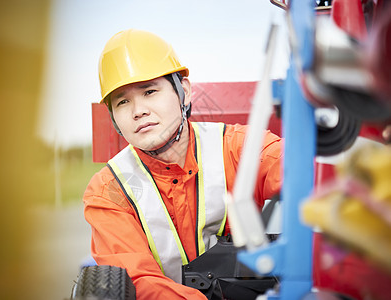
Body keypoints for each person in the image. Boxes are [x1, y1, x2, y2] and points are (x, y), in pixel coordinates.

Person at [83, 29, 283, 300]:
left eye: (150, 91)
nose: (138, 110)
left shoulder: (240, 147)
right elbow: (135, 282)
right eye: (122, 102)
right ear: (115, 119)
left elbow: (304, 175)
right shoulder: (107, 191)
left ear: (183, 92)